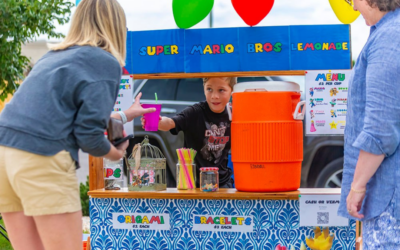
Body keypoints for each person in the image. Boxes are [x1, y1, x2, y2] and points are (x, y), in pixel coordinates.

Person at [0, 0, 154, 249]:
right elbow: (88, 135)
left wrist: (123, 116)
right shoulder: (105, 60)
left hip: (4, 154)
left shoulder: (53, 55)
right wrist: (115, 152)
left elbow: (63, 117)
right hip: (42, 155)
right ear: (117, 27)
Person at [338, 0, 400, 248]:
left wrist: (357, 185)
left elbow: (380, 129)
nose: (353, 7)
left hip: (390, 195)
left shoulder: (389, 38)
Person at [141, 77, 236, 188]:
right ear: (204, 88)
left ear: (232, 91)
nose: (214, 96)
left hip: (223, 183)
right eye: (209, 89)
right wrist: (158, 122)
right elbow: (171, 122)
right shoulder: (195, 112)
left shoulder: (234, 113)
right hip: (193, 184)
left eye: (221, 90)